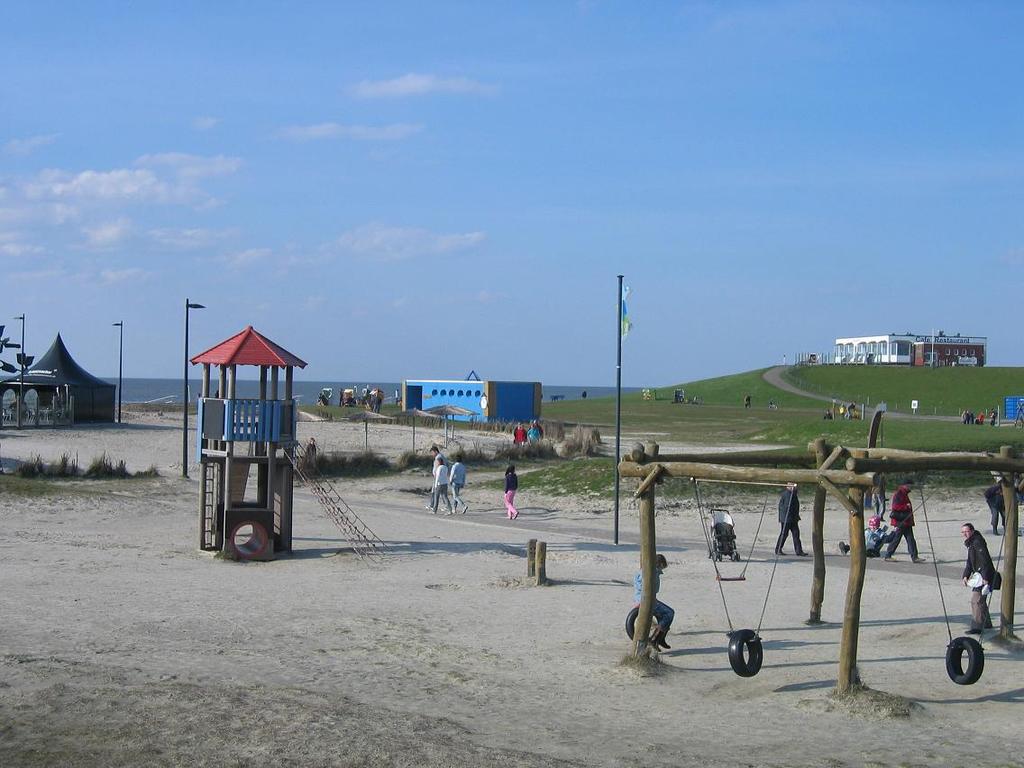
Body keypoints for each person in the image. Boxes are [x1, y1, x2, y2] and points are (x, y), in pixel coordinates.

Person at [960, 523, 996, 634]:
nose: (964, 534)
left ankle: (977, 626)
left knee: (976, 600)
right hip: (980, 575)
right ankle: (987, 623)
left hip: (983, 576)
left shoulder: (977, 542)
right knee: (981, 600)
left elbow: (984, 560)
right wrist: (965, 575)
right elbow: (970, 562)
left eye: (966, 531)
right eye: (963, 532)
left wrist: (985, 578)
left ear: (972, 531)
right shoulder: (972, 543)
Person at [633, 553, 674, 649]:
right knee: (669, 613)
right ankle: (655, 639)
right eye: (662, 567)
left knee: (662, 616)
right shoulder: (651, 572)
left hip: (645, 599)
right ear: (659, 564)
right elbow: (647, 587)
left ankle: (661, 639)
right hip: (646, 600)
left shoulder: (647, 571)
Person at [883, 484, 924, 562]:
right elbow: (895, 507)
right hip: (900, 521)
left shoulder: (904, 493)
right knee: (896, 539)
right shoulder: (899, 494)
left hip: (906, 521)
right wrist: (906, 506)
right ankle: (888, 555)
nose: (911, 487)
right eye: (909, 485)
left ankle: (914, 557)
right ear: (905, 485)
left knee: (911, 539)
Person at [775, 483, 808, 556]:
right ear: (789, 487)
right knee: (784, 534)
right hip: (787, 518)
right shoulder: (788, 494)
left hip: (792, 518)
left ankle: (799, 551)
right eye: (793, 487)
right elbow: (787, 507)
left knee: (796, 534)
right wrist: (789, 516)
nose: (795, 488)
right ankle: (778, 549)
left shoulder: (793, 494)